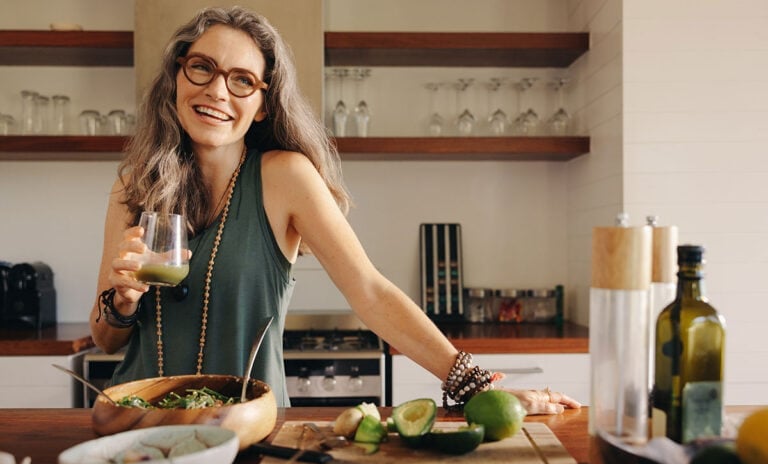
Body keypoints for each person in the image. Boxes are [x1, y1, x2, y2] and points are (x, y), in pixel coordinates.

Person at [89, 6, 580, 415]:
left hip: (246, 427)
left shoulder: (285, 177)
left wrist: (475, 384)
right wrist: (122, 302)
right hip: (136, 424)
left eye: (242, 80)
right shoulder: (134, 184)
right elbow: (106, 337)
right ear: (178, 74)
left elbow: (370, 292)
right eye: (202, 67)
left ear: (262, 104)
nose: (217, 91)